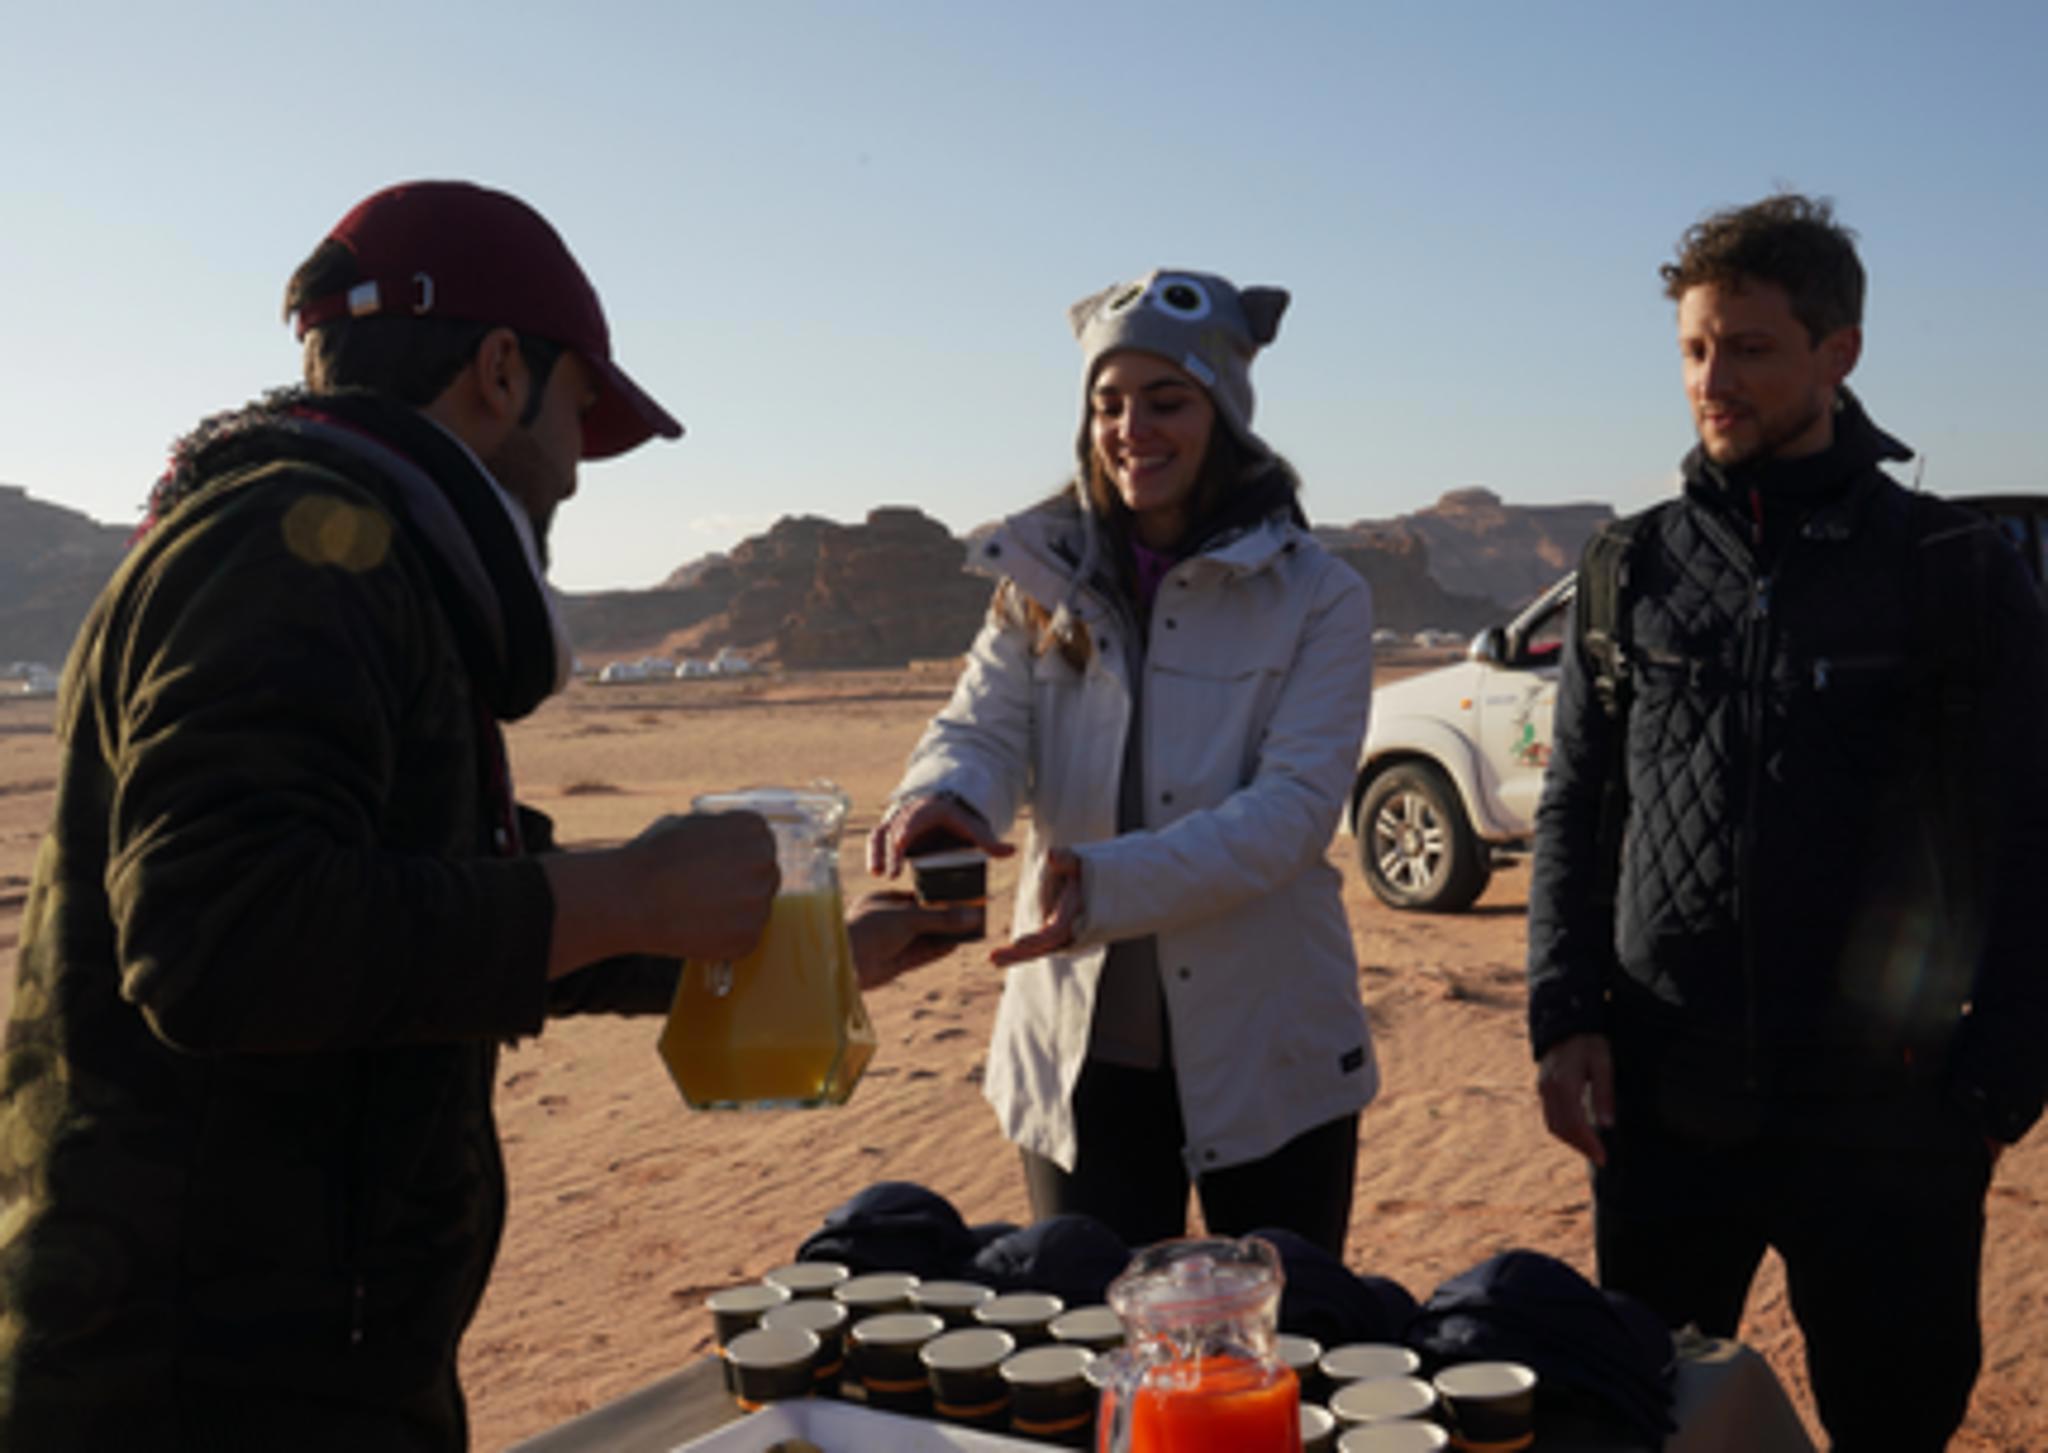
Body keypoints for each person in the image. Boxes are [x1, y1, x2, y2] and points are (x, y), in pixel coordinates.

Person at [0, 180, 959, 1450]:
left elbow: (433, 884)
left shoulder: (358, 551)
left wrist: (770, 944)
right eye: (576, 411)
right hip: (194, 1380)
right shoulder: (291, 549)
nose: (572, 465)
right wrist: (626, 894)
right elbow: (222, 936)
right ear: (499, 371)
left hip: (299, 1351)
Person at [1527, 194, 2048, 1451]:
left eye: (1749, 348)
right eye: (1695, 349)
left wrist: (1998, 1082)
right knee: (1646, 1417)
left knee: (1893, 1418)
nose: (1712, 380)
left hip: (1888, 1113)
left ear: (1838, 353)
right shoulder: (1628, 566)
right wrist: (1565, 1015)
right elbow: (1576, 808)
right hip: (1662, 1104)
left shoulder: (1952, 565)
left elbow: (2029, 822)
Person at [869, 269, 1378, 1254]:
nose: (1130, 427)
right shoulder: (1036, 575)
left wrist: (1101, 886)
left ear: (1223, 412)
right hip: (1079, 1057)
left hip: (1270, 1050)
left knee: (1277, 1348)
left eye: (1165, 399)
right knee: (1092, 1357)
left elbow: (1291, 813)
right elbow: (980, 724)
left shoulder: (1319, 595)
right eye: (1107, 402)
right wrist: (943, 799)